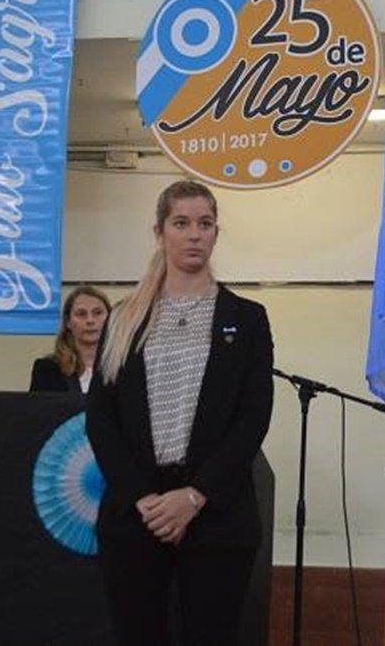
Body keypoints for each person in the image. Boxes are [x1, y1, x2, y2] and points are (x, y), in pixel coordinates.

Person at [86, 179, 274, 646]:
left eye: (205, 224)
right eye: (182, 223)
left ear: (216, 233)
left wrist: (194, 496)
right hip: (137, 513)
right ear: (159, 232)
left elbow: (253, 417)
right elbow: (101, 418)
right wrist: (141, 497)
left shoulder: (246, 318)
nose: (194, 234)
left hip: (217, 514)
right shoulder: (124, 317)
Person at [30, 285, 112, 395]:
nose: (90, 320)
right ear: (68, 322)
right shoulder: (47, 369)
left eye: (97, 313)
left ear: (110, 318)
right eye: (81, 314)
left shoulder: (123, 368)